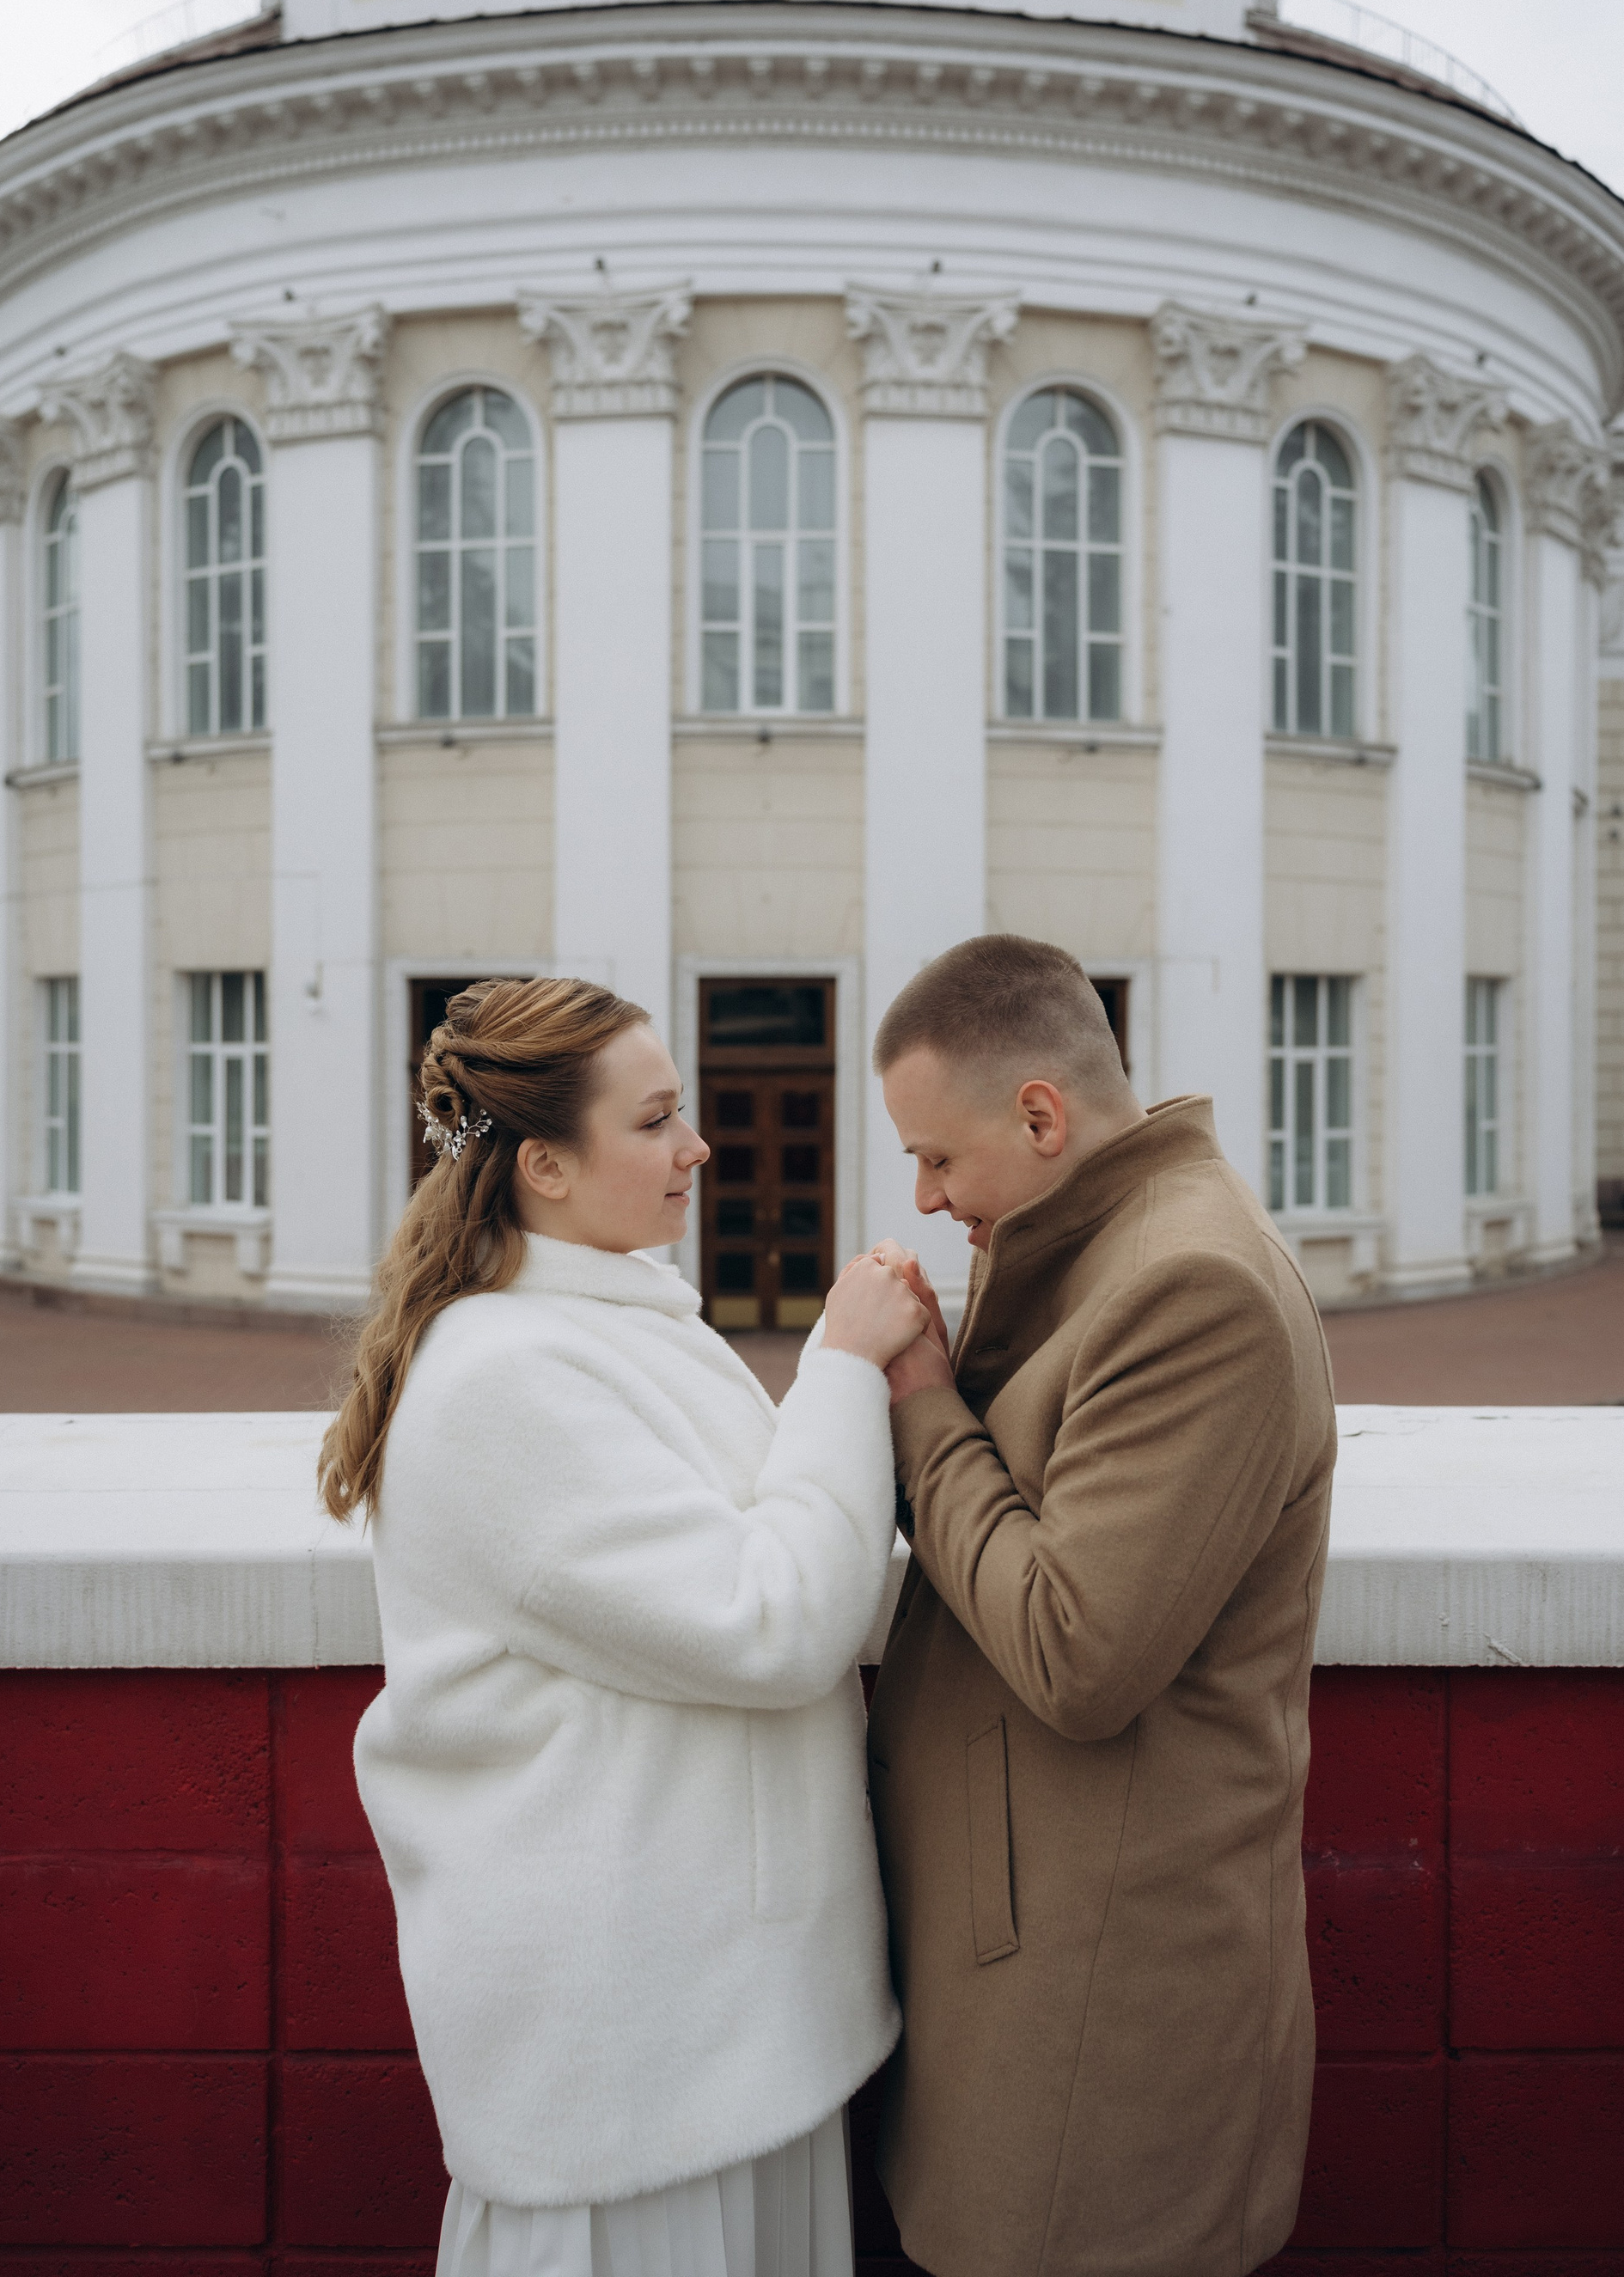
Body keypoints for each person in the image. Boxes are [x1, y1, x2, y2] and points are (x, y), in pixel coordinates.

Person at [318, 974, 926, 2277]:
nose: (696, 1147)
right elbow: (770, 1619)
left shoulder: (609, 1321)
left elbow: (749, 1542)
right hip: (630, 2059)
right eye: (654, 1122)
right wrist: (841, 1362)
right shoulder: (504, 1382)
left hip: (714, 2021)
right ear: (543, 1165)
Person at [862, 933, 1337, 2277]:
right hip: (1033, 1959)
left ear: (1040, 1116)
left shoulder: (1195, 1287)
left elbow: (1078, 1652)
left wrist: (922, 1404)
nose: (926, 1195)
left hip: (1104, 2004)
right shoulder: (1107, 1247)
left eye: (937, 1157)